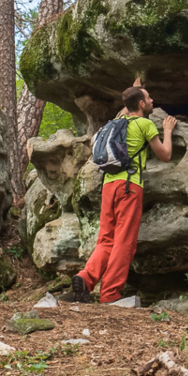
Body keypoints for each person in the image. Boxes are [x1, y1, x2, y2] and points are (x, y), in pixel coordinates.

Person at [72, 83, 176, 304]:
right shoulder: (145, 124)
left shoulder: (118, 121)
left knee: (106, 239)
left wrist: (135, 87)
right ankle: (110, 294)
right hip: (129, 186)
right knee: (124, 241)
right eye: (148, 98)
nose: (152, 101)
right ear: (140, 104)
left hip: (108, 186)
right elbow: (165, 155)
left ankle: (86, 277)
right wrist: (167, 131)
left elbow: (125, 107)